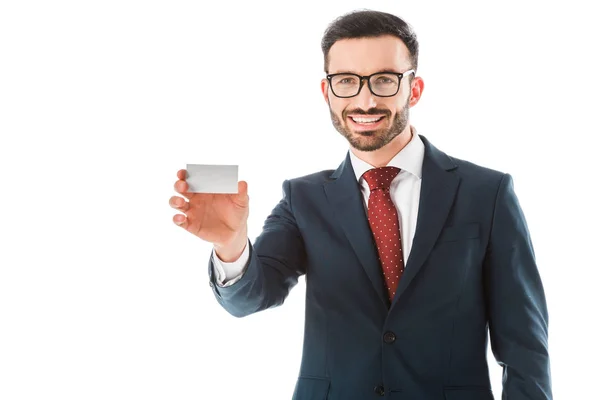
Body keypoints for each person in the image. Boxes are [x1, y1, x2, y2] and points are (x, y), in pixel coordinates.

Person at [170, 9, 552, 400]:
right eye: (347, 82)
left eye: (384, 80)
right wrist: (231, 245)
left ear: (414, 89)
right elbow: (252, 296)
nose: (365, 100)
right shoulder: (303, 198)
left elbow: (525, 346)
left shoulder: (486, 193)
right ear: (327, 93)